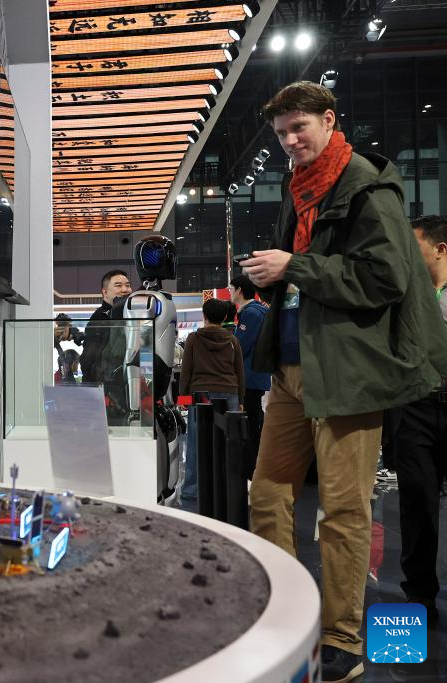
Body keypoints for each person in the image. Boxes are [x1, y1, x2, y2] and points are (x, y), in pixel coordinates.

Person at [241, 81, 447, 683]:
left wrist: (295, 265)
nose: (290, 140)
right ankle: (283, 615)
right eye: (281, 133)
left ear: (329, 120)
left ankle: (342, 639)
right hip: (289, 367)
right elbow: (304, 271)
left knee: (344, 511)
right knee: (268, 495)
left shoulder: (365, 184)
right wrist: (273, 273)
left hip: (347, 375)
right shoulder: (298, 188)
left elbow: (385, 277)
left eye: (299, 127)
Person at [395, 215, 447, 624]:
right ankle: (419, 596)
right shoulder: (406, 296)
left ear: (440, 249)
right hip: (415, 409)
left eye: (415, 247)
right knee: (417, 503)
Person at [178, 297, 245, 511]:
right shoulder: (232, 340)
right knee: (228, 442)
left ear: (204, 316)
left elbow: (186, 370)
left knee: (196, 443)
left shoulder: (194, 339)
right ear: (225, 317)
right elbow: (239, 372)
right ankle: (227, 487)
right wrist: (241, 400)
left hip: (201, 394)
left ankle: (191, 490)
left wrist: (183, 398)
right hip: (229, 392)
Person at [229, 274, 271, 480]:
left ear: (239, 290)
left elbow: (240, 347)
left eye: (231, 289)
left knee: (251, 425)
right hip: (255, 375)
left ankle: (252, 469)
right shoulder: (257, 311)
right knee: (253, 422)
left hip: (250, 377)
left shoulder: (252, 313)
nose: (229, 292)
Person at [80, 270, 133, 421]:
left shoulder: (128, 316)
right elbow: (88, 361)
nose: (125, 289)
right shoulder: (99, 319)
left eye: (127, 285)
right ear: (105, 292)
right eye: (118, 285)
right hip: (107, 397)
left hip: (126, 391)